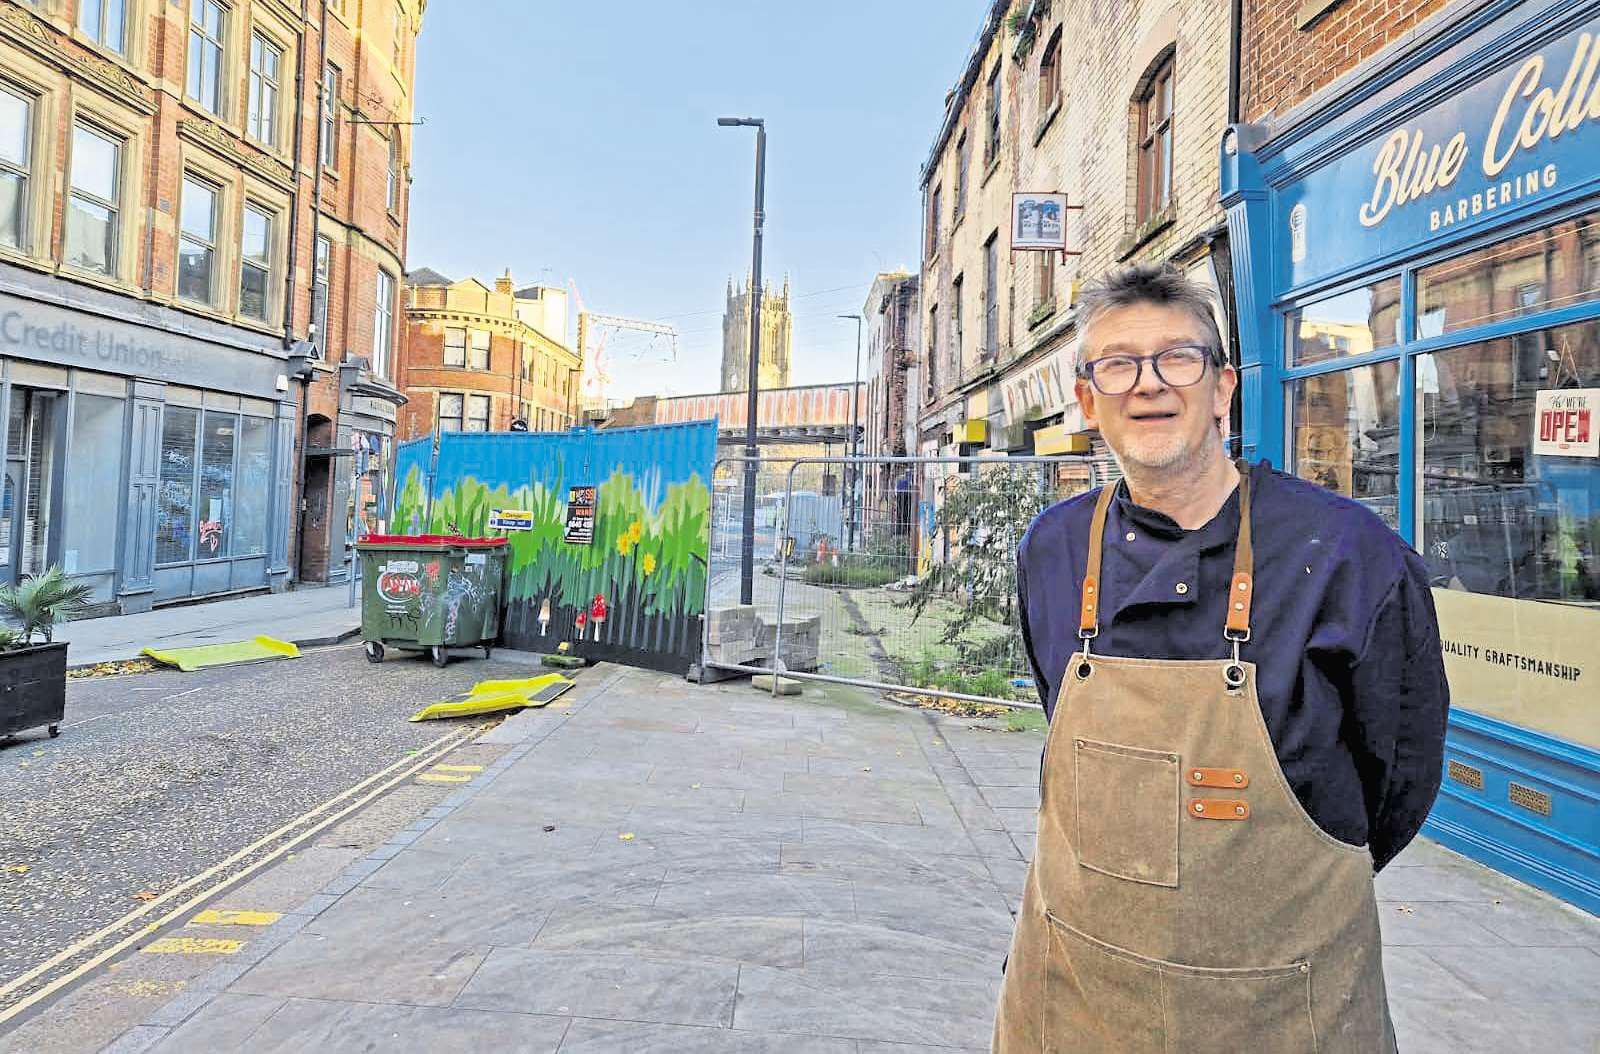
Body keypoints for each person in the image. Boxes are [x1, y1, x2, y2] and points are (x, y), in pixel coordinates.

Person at [992, 263, 1449, 1053]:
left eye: (1178, 358)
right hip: (1071, 1004)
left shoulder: (1348, 557)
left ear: (1221, 390)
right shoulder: (1052, 550)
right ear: (1087, 401)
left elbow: (1399, 781)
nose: (1149, 384)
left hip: (1285, 1012)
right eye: (1118, 364)